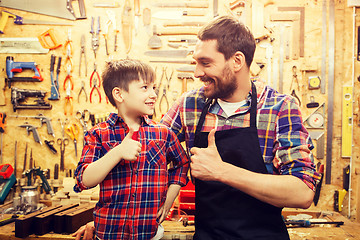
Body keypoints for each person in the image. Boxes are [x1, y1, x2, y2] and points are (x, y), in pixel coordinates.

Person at [73, 16, 320, 240]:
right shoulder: (190, 105)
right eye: (195, 62)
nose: (196, 72)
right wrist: (112, 222)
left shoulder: (280, 108)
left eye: (205, 63)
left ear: (236, 61)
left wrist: (222, 171)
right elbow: (144, 159)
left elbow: (302, 193)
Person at [73, 59, 189, 240]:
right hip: (108, 234)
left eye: (154, 88)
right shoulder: (98, 134)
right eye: (145, 88)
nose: (153, 94)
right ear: (119, 94)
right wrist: (118, 152)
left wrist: (169, 199)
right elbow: (84, 180)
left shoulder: (163, 134)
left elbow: (182, 163)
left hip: (149, 234)